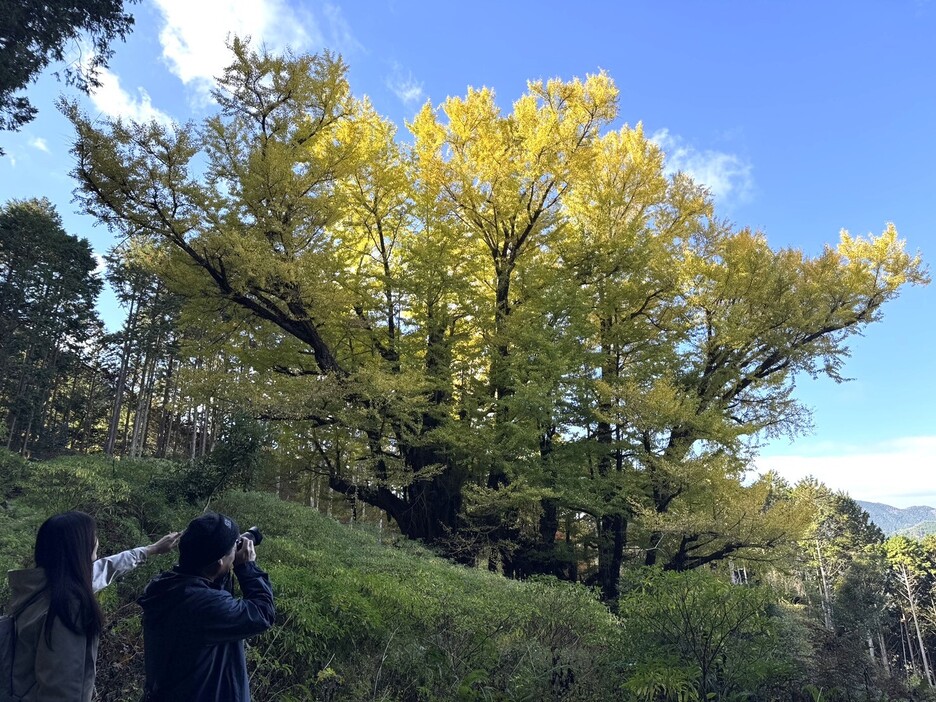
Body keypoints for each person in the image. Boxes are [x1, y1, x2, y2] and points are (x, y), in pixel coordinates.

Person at [7, 511, 180, 701]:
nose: (97, 541)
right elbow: (64, 691)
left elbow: (107, 567)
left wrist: (151, 549)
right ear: (79, 547)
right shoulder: (67, 608)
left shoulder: (39, 587)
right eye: (93, 537)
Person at [139, 512, 275, 702]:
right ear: (219, 563)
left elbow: (210, 586)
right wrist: (247, 568)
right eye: (232, 549)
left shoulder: (170, 587)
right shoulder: (204, 605)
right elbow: (263, 612)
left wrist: (224, 560)